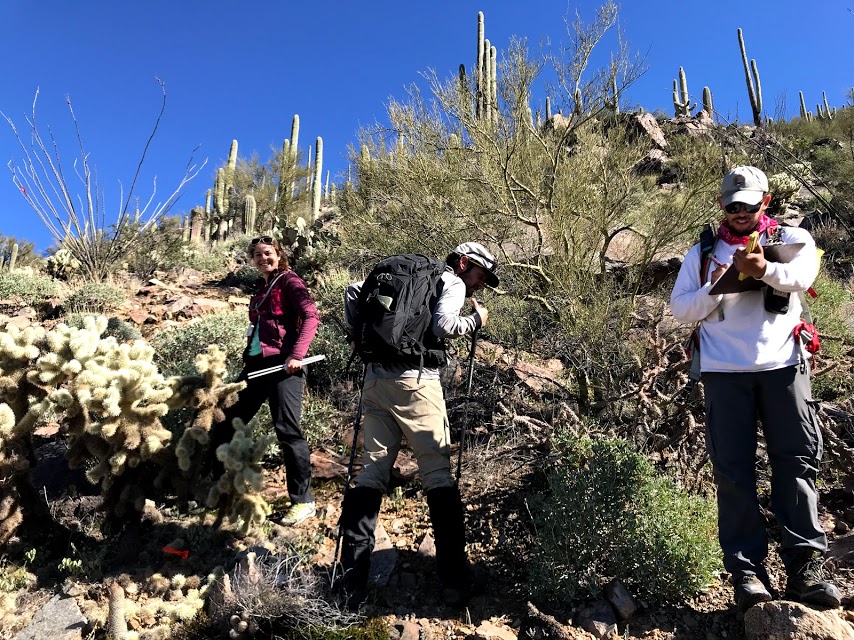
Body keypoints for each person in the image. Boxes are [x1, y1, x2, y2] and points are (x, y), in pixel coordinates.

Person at [670, 167, 841, 612]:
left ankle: (805, 568)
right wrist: (721, 284)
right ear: (722, 204)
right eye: (733, 205)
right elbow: (680, 308)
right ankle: (747, 574)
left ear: (765, 200)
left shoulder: (793, 238)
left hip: (783, 367)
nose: (741, 212)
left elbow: (802, 277)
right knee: (733, 473)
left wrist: (764, 269)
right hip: (723, 373)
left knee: (797, 462)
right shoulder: (703, 252)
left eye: (748, 203)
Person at [339, 242, 499, 608]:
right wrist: (476, 320)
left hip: (375, 382)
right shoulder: (451, 281)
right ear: (464, 263)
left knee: (370, 475)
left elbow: (353, 291)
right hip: (416, 383)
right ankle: (455, 582)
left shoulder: (405, 274)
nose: (481, 283)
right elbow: (444, 325)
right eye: (481, 275)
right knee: (438, 475)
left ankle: (351, 583)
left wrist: (356, 334)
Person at [209, 236, 321, 526]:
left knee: (287, 429)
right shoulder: (261, 288)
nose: (263, 258)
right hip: (257, 364)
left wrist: (297, 355)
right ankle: (215, 485)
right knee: (226, 417)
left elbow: (311, 316)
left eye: (268, 253)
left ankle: (303, 501)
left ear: (278, 255)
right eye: (257, 255)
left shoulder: (290, 281)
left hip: (284, 365)